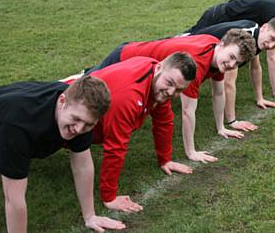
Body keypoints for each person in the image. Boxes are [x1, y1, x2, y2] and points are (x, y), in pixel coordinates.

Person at [83, 30, 257, 161]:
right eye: (232, 57)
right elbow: (188, 111)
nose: (232, 64)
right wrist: (191, 152)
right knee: (83, 97)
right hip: (124, 58)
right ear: (221, 45)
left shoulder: (217, 57)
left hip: (135, 58)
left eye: (238, 63)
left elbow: (218, 93)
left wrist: (221, 127)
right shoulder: (197, 63)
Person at [0, 75, 125, 232]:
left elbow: (83, 166)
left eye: (88, 124)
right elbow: (14, 200)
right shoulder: (18, 127)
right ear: (62, 102)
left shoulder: (82, 110)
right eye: (76, 119)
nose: (79, 129)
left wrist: (90, 216)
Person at [83, 53, 198, 212]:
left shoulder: (156, 76)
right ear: (159, 67)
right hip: (65, 124)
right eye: (170, 83)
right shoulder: (127, 96)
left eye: (179, 89)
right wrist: (109, 197)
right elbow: (115, 148)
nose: (172, 92)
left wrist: (166, 159)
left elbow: (164, 120)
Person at [191, 18, 275, 132]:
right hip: (191, 41)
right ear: (264, 27)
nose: (271, 46)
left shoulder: (257, 38)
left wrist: (260, 98)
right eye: (272, 39)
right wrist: (232, 121)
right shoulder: (245, 38)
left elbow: (256, 67)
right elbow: (228, 82)